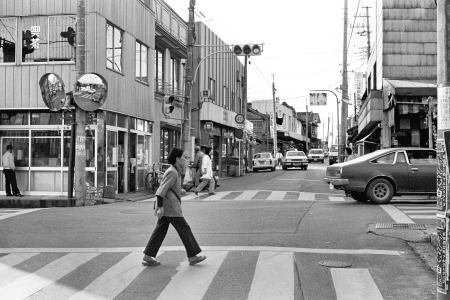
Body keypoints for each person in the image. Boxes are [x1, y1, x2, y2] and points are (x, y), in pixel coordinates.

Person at [143, 147, 206, 266]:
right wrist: (160, 207)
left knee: (160, 231)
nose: (186, 160)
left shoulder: (175, 171)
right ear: (177, 159)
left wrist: (179, 189)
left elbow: (169, 187)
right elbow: (161, 190)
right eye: (184, 157)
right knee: (184, 229)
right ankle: (192, 255)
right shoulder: (172, 171)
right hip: (170, 208)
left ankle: (148, 255)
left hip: (169, 207)